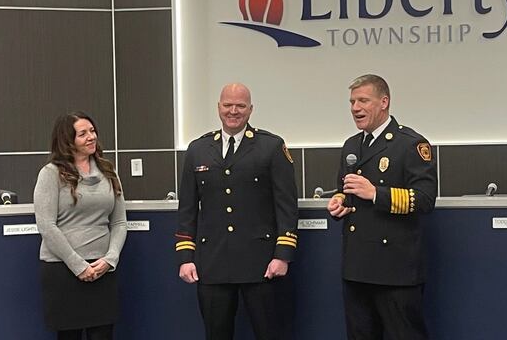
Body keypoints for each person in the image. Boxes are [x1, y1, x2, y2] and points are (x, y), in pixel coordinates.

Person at [176, 83, 298, 340]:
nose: (233, 111)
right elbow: (187, 209)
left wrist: (283, 255)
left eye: (240, 106)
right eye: (228, 105)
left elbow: (286, 205)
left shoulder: (271, 147)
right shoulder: (198, 149)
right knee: (216, 334)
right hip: (213, 263)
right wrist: (186, 257)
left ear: (250, 110)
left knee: (269, 333)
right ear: (218, 108)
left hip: (261, 263)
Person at [327, 74, 437, 340]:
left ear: (384, 102)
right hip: (357, 266)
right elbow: (345, 190)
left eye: (363, 100)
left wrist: (376, 193)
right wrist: (339, 202)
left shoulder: (410, 144)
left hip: (395, 270)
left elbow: (424, 199)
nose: (355, 108)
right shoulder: (351, 145)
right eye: (352, 101)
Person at [34, 112, 127, 340]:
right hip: (64, 270)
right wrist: (79, 266)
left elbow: (119, 221)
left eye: (92, 131)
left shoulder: (108, 171)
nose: (91, 137)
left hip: (102, 269)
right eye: (83, 134)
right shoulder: (50, 174)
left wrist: (110, 259)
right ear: (67, 140)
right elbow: (46, 226)